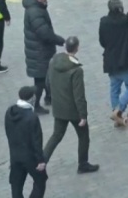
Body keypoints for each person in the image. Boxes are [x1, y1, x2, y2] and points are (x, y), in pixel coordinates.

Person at [43, 36, 100, 174]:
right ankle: (83, 164)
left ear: (65, 47)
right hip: (73, 110)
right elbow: (79, 95)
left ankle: (42, 161)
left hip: (59, 108)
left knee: (56, 135)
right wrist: (83, 115)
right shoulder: (76, 70)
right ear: (77, 48)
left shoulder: (54, 61)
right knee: (83, 136)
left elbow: (48, 82)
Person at [4, 86, 47, 198]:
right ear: (32, 98)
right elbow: (36, 141)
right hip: (30, 157)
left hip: (15, 155)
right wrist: (40, 160)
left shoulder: (9, 112)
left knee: (16, 184)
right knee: (40, 180)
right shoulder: (32, 117)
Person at [23, 0, 65, 113]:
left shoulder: (36, 7)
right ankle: (35, 105)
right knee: (40, 81)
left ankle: (49, 97)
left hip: (39, 50)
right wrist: (60, 40)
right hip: (39, 52)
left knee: (47, 75)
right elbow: (44, 33)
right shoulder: (35, 12)